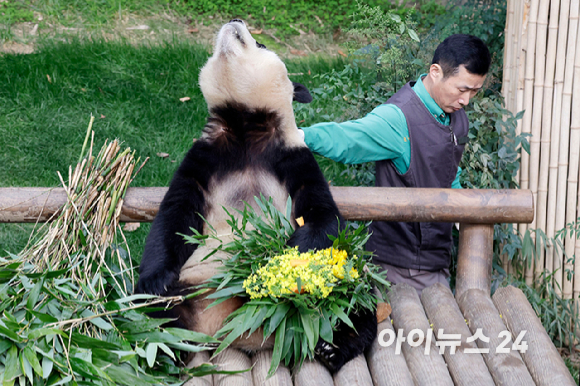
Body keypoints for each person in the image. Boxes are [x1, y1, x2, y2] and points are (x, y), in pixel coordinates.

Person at [299, 34, 491, 295]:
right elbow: (348, 138)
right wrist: (297, 137)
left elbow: (448, 169)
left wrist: (460, 209)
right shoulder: (399, 118)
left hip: (437, 261)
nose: (467, 100)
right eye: (462, 89)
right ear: (435, 72)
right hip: (400, 268)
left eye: (474, 92)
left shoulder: (457, 118)